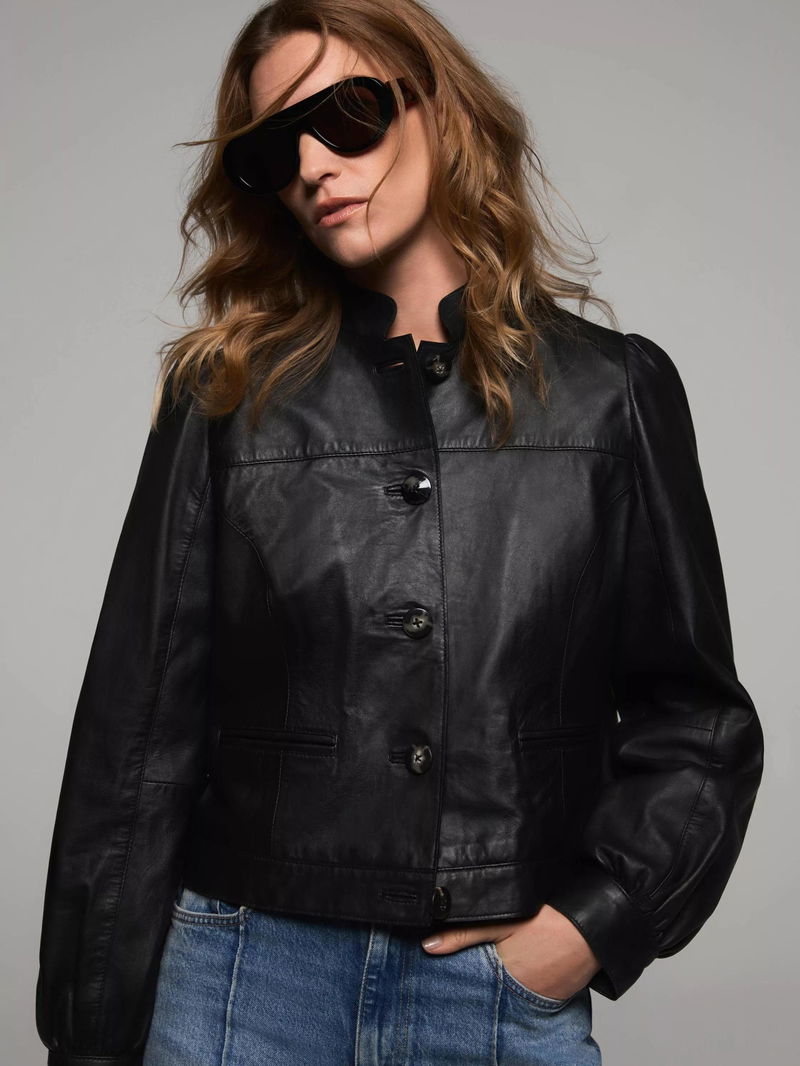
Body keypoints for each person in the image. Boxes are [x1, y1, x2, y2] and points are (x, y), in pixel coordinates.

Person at [35, 2, 765, 1064]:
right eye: (274, 151)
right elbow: (137, 736)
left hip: (495, 994)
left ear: (438, 107)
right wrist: (88, 1036)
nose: (313, 167)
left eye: (346, 115)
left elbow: (698, 722)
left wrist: (585, 930)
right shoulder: (225, 397)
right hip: (241, 983)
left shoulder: (613, 394)